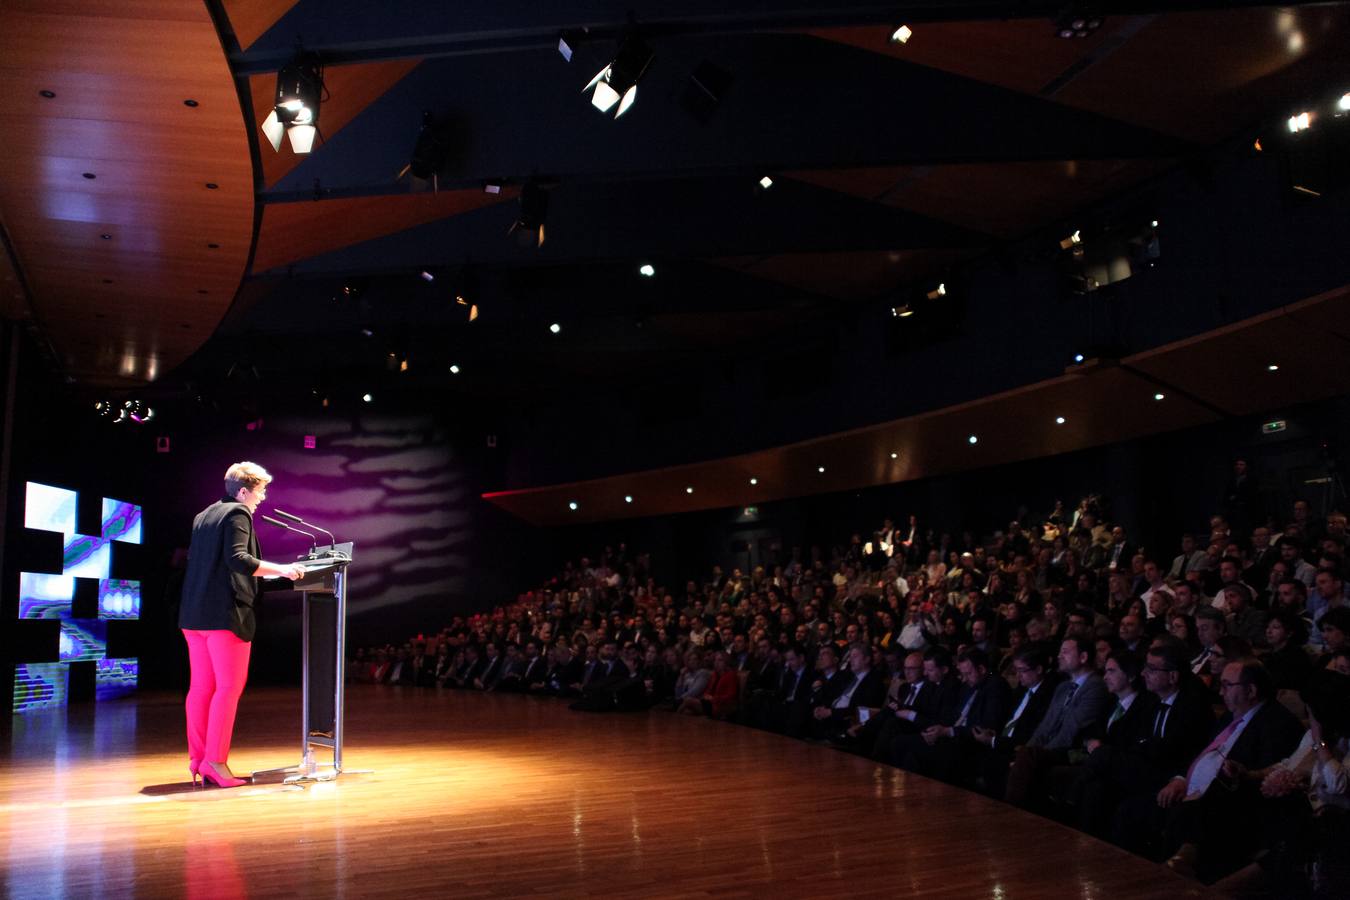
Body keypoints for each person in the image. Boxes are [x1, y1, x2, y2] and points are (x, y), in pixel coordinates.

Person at [180, 462, 305, 788]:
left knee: (201, 688)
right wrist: (283, 569)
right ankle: (216, 762)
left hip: (195, 615)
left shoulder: (204, 515)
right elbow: (238, 560)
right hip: (224, 617)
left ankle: (198, 759)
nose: (262, 497)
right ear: (244, 490)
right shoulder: (238, 514)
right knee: (228, 689)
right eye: (260, 490)